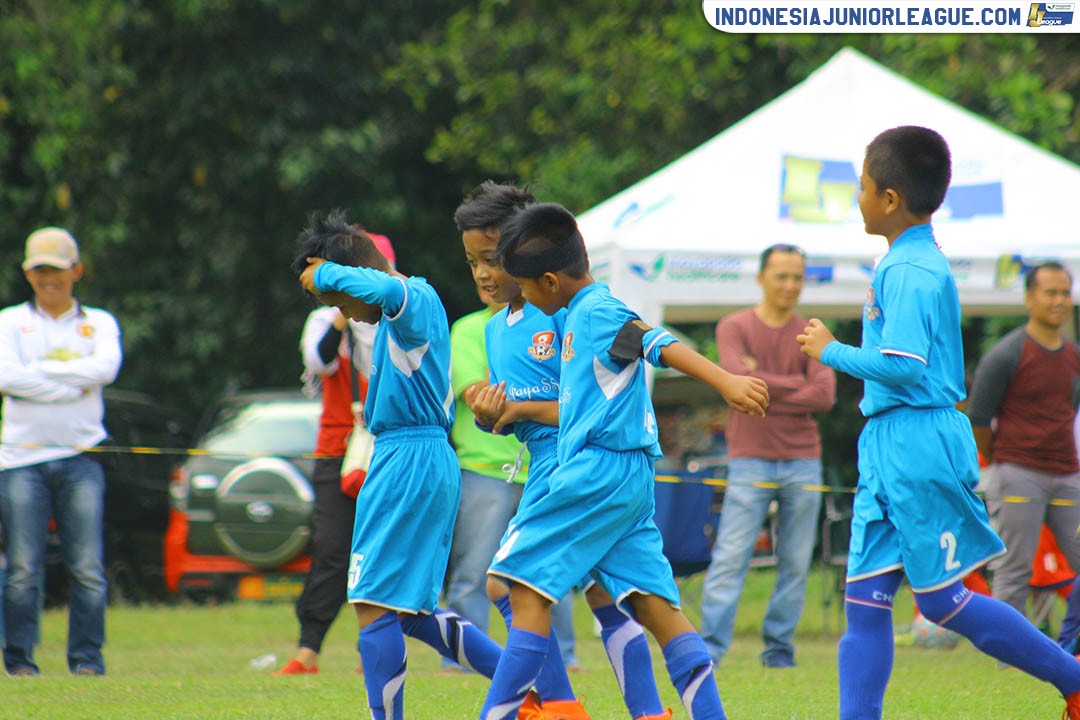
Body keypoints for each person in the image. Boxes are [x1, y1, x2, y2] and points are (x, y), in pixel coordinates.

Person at [795, 125, 1080, 719]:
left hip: (918, 440)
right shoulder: (904, 261)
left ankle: (1074, 680)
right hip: (888, 443)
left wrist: (830, 350)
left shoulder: (912, 271)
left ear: (890, 199)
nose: (857, 198)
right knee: (865, 602)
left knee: (944, 601)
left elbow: (903, 366)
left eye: (863, 187)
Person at [477, 201, 769, 720]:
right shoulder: (582, 313)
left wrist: (725, 381)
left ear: (547, 281)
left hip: (596, 472)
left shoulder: (594, 311)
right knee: (656, 609)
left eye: (524, 286)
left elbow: (653, 341)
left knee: (517, 584)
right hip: (629, 477)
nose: (521, 296)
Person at [458, 181, 667, 719]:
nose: (483, 272)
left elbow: (584, 403)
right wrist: (494, 416)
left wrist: (522, 412)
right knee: (602, 594)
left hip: (578, 464)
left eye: (492, 259)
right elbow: (521, 409)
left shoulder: (559, 310)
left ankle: (558, 705)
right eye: (472, 261)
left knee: (510, 585)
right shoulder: (495, 329)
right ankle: (621, 708)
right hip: (548, 463)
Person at [293, 210, 504, 720]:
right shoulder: (398, 315)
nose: (347, 312)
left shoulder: (414, 297)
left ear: (361, 275)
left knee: (370, 599)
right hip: (414, 456)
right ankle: (527, 684)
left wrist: (320, 274)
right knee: (411, 611)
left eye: (343, 300)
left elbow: (385, 289)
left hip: (409, 457)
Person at [699, 242, 836, 668]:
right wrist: (791, 383)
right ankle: (710, 651)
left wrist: (760, 381)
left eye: (797, 276)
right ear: (761, 278)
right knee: (730, 557)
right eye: (782, 275)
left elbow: (825, 395)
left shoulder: (813, 332)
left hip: (803, 459)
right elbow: (737, 379)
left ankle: (778, 650)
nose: (790, 284)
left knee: (797, 562)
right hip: (750, 457)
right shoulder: (733, 326)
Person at [0, 227, 123, 676]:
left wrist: (41, 374)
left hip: (83, 457)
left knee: (88, 568)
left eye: (56, 269)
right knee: (22, 568)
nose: (48, 278)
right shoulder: (9, 321)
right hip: (19, 460)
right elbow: (6, 377)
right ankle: (19, 661)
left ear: (76, 270)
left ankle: (87, 660)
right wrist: (71, 384)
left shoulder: (101, 322)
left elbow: (106, 368)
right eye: (40, 270)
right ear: (28, 273)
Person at [273, 233, 396, 676]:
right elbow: (321, 360)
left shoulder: (397, 319)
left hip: (386, 447)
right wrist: (345, 316)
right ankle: (308, 648)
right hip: (336, 447)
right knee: (330, 549)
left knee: (385, 546)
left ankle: (378, 648)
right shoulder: (327, 320)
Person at [965, 262, 1080, 624]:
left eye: (1065, 293)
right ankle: (1009, 658)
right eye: (1050, 293)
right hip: (1017, 472)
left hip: (1067, 473)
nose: (1059, 301)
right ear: (1030, 298)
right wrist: (1001, 460)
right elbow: (978, 418)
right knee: (1014, 568)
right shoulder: (1007, 354)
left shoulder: (1073, 355)